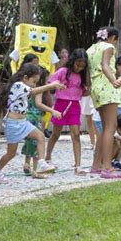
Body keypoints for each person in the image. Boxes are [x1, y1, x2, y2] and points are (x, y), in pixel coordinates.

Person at [0, 63, 65, 184]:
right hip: (13, 124)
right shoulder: (19, 85)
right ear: (25, 78)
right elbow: (33, 91)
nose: (35, 84)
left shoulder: (22, 86)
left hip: (23, 122)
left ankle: (41, 163)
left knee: (40, 136)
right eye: (34, 81)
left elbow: (32, 91)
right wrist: (51, 85)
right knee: (11, 153)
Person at [87, 26, 121, 179]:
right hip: (106, 87)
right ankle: (107, 168)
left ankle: (96, 165)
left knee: (104, 129)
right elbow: (105, 65)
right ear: (113, 38)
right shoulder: (109, 47)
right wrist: (114, 81)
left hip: (95, 88)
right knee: (111, 127)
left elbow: (90, 71)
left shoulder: (91, 49)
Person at [45, 48, 89, 176]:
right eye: (77, 65)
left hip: (75, 105)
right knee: (55, 134)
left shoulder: (83, 75)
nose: (79, 68)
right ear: (72, 61)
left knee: (76, 135)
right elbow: (50, 82)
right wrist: (57, 85)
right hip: (61, 104)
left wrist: (87, 90)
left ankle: (78, 166)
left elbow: (84, 92)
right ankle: (47, 158)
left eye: (82, 66)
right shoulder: (63, 71)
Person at [21, 66, 61, 178]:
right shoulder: (39, 88)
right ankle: (36, 171)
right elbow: (38, 104)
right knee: (37, 142)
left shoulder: (26, 86)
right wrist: (52, 110)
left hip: (25, 116)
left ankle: (26, 164)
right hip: (34, 116)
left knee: (29, 141)